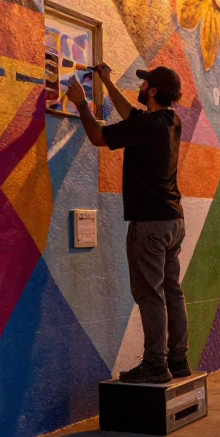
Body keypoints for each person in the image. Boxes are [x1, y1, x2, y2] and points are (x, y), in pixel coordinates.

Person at [65, 64, 190, 384]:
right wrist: (105, 81)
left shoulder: (149, 125)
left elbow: (96, 136)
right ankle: (178, 360)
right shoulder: (169, 121)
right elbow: (132, 115)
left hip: (149, 225)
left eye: (146, 81)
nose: (142, 84)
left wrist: (80, 102)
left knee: (150, 294)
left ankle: (155, 365)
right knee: (172, 291)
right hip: (173, 221)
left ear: (152, 90)